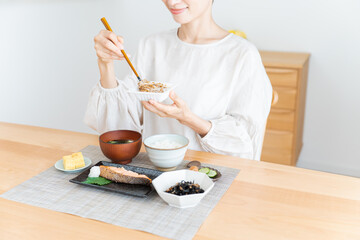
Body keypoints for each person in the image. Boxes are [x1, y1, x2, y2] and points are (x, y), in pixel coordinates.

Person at [84, 0, 272, 160]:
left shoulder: (242, 54)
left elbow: (245, 144)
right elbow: (118, 129)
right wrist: (105, 64)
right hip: (156, 174)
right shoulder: (152, 45)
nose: (171, 2)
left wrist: (187, 118)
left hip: (211, 178)